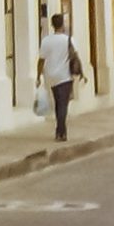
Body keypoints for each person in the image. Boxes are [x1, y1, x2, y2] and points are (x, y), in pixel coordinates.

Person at [36, 13, 82, 142]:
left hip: (51, 76)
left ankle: (60, 130)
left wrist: (38, 76)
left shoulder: (46, 41)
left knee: (58, 103)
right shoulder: (69, 40)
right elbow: (75, 56)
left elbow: (41, 60)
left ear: (52, 25)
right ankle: (61, 131)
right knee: (63, 104)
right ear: (62, 24)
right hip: (65, 76)